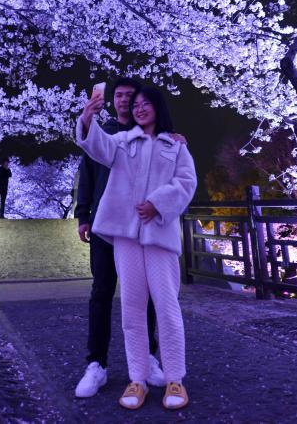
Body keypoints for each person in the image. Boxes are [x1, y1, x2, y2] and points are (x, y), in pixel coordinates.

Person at [76, 85, 197, 411]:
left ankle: (175, 378)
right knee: (131, 308)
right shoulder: (122, 142)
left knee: (166, 306)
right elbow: (97, 147)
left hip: (159, 236)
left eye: (146, 103)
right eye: (136, 104)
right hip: (126, 237)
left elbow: (187, 183)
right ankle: (138, 378)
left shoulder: (175, 146)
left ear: (158, 108)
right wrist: (87, 119)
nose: (139, 108)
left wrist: (158, 203)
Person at [73, 78, 163, 399]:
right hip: (104, 223)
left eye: (130, 96)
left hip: (138, 226)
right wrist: (83, 214)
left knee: (144, 294)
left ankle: (147, 358)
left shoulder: (150, 134)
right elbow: (87, 172)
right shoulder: (104, 134)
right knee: (101, 292)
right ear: (112, 101)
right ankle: (96, 364)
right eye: (119, 96)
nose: (124, 100)